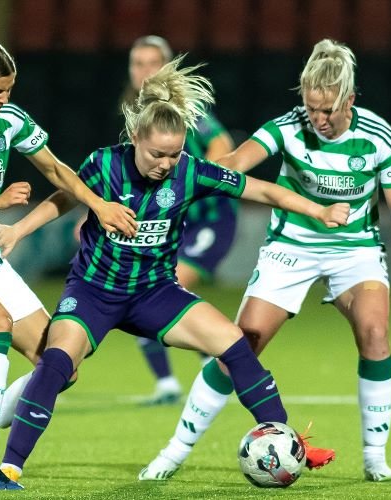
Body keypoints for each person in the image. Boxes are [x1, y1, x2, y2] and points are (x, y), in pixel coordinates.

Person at [0, 55, 349, 487]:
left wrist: (319, 209)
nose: (165, 163)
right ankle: (9, 465)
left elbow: (262, 189)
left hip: (155, 294)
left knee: (236, 344)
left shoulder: (189, 172)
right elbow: (63, 197)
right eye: (157, 153)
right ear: (136, 137)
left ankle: (290, 445)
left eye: (174, 154)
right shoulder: (105, 164)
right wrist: (19, 230)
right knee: (56, 362)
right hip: (93, 292)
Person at [140, 38, 391, 483]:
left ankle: (375, 458)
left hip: (356, 252)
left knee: (374, 332)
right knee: (239, 345)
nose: (318, 118)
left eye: (328, 109)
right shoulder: (289, 126)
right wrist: (189, 170)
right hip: (290, 247)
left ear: (349, 100)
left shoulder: (378, 138)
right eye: (312, 107)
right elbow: (236, 162)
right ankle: (174, 452)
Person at [0, 39, 137, 490]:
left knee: (61, 365)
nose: (4, 99)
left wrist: (99, 204)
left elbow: (55, 170)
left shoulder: (9, 120)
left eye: (10, 89)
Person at [123, 36, 237, 405]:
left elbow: (221, 143)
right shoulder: (137, 113)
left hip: (208, 222)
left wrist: (202, 182)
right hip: (166, 226)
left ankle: (220, 367)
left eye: (151, 63)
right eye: (137, 63)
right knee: (145, 291)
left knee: (160, 290)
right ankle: (179, 380)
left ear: (167, 67)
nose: (144, 72)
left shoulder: (186, 109)